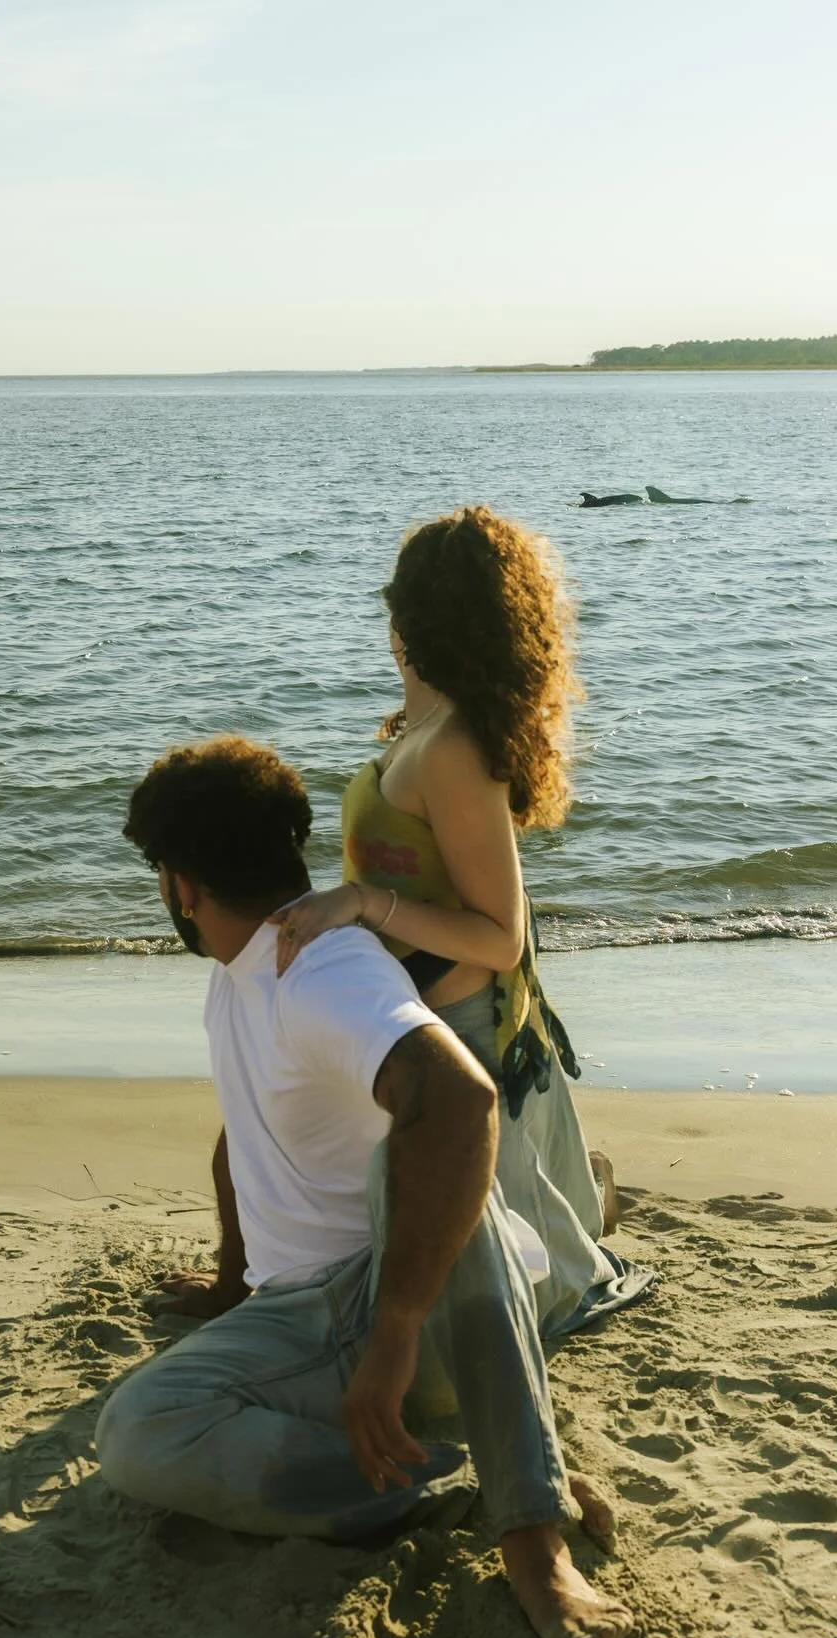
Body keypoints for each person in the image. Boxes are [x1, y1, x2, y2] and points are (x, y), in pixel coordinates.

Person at [97, 736, 634, 1638]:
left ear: (179, 885)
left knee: (417, 1151)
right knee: (139, 1431)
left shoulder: (324, 970)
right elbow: (245, 1124)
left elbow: (460, 1100)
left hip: (408, 1311)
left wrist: (393, 1334)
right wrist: (233, 1279)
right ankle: (442, 1486)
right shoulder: (241, 975)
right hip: (303, 1317)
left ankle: (532, 1538)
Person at [267, 506, 653, 1335]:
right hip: (419, 1016)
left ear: (407, 617)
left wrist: (364, 904)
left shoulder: (451, 750)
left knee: (499, 1283)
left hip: (460, 1024)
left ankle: (586, 1200)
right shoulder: (422, 726)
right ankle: (587, 1191)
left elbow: (498, 935)